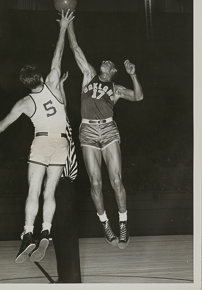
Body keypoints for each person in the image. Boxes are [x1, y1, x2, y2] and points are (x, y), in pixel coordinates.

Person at [0, 9, 75, 263]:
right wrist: (62, 27)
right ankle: (46, 230)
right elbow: (58, 53)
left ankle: (28, 234)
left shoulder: (25, 102)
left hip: (41, 142)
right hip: (61, 142)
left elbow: (1, 126)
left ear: (26, 83)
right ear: (39, 76)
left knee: (33, 191)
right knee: (50, 192)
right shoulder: (52, 82)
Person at [67, 19, 143, 249]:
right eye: (105, 61)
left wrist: (133, 75)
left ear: (113, 72)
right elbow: (76, 49)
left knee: (116, 180)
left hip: (108, 129)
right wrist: (69, 24)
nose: (105, 61)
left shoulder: (116, 88)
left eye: (109, 63)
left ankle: (123, 224)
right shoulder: (88, 75)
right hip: (88, 129)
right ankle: (105, 223)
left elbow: (138, 97)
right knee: (95, 183)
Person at [51, 73, 81, 283]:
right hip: (57, 187)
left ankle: (71, 280)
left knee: (66, 234)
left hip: (64, 185)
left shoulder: (62, 126)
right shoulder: (56, 127)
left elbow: (63, 105)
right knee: (60, 235)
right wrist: (60, 86)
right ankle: (65, 278)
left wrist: (60, 87)